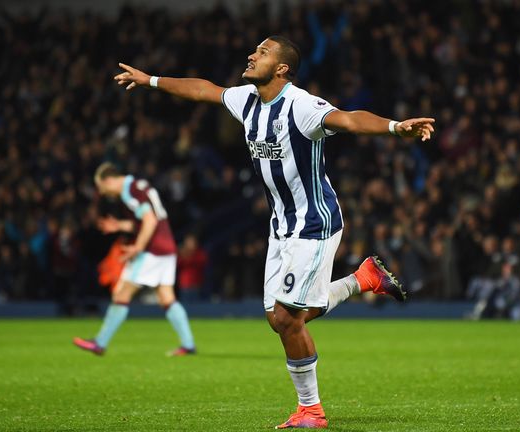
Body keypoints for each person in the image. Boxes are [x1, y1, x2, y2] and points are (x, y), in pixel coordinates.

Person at [114, 35, 434, 429]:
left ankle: (311, 411)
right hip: (281, 225)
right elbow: (203, 90)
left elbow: (348, 119)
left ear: (282, 68)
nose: (251, 55)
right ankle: (362, 278)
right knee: (278, 316)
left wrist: (394, 127)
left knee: (287, 316)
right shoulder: (247, 100)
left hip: (315, 223)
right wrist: (150, 81)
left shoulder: (300, 106)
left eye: (262, 53)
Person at [73, 162, 197, 357]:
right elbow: (145, 219)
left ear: (109, 180)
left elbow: (149, 220)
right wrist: (120, 226)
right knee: (166, 297)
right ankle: (188, 344)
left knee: (121, 293)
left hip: (151, 249)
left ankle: (100, 343)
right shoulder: (139, 185)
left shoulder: (129, 191)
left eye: (101, 187)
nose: (102, 192)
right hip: (167, 246)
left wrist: (138, 247)